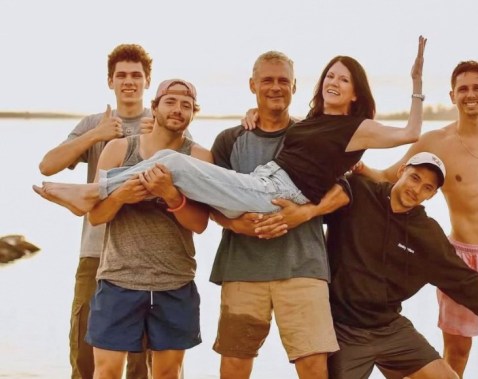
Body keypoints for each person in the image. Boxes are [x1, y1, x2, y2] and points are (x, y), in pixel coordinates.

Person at [32, 36, 428, 226]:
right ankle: (97, 192)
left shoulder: (358, 127)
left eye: (343, 79)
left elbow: (411, 133)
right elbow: (293, 136)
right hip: (256, 184)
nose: (333, 82)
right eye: (329, 76)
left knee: (170, 160)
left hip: (276, 194)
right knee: (170, 166)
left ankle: (93, 191)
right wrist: (251, 114)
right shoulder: (312, 121)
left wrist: (416, 83)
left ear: (356, 90)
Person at [356, 61, 478, 378]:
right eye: (463, 88)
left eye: (477, 87)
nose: (470, 94)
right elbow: (389, 177)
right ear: (452, 95)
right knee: (456, 354)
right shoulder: (436, 142)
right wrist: (355, 166)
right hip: (462, 260)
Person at [325, 152, 478, 379]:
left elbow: (466, 283)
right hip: (344, 330)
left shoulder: (427, 235)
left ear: (432, 195)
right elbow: (313, 190)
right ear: (401, 172)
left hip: (389, 327)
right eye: (414, 178)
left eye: (427, 187)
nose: (416, 190)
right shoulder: (358, 192)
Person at [208, 51, 350, 379]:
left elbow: (343, 191)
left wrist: (303, 214)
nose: (275, 87)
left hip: (303, 268)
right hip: (242, 268)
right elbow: (210, 200)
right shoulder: (229, 140)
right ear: (252, 85)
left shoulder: (313, 134)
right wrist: (233, 224)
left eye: (283, 81)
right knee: (234, 366)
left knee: (315, 367)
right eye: (268, 80)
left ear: (295, 87)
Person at [37, 43, 154, 379]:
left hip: (147, 259)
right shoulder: (93, 123)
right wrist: (96, 135)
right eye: (121, 76)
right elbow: (48, 165)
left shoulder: (163, 121)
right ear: (110, 82)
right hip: (96, 253)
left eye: (136, 75)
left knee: (143, 362)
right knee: (85, 354)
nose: (128, 81)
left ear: (147, 81)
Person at [83, 78, 211, 379]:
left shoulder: (200, 157)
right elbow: (96, 216)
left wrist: (171, 195)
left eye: (186, 105)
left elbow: (200, 224)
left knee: (168, 373)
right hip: (119, 279)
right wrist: (121, 196)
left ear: (193, 114)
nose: (178, 109)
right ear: (154, 108)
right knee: (108, 372)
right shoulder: (118, 149)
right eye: (170, 101)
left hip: (174, 281)